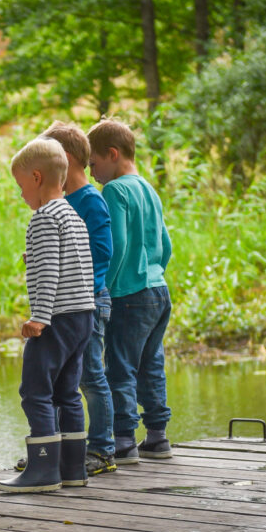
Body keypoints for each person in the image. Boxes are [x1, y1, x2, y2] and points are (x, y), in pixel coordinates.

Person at [0, 137, 95, 493]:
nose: (21, 194)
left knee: (35, 391)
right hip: (83, 316)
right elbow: (75, 262)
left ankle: (42, 470)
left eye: (21, 185)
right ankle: (72, 469)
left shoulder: (43, 218)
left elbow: (51, 271)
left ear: (37, 178)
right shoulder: (72, 215)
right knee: (67, 392)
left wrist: (39, 317)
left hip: (56, 318)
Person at [87, 118, 172, 463]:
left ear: (112, 154)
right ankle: (157, 436)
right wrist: (154, 271)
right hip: (158, 290)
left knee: (120, 367)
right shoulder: (148, 188)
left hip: (129, 294)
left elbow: (117, 245)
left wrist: (105, 287)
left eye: (93, 163)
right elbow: (166, 244)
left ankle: (123, 439)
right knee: (151, 364)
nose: (92, 173)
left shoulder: (115, 190)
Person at [41, 121, 116, 476]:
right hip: (62, 305)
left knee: (90, 377)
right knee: (60, 379)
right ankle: (59, 450)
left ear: (66, 159)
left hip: (88, 302)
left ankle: (102, 449)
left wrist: (73, 274)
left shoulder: (91, 201)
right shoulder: (60, 201)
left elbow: (102, 252)